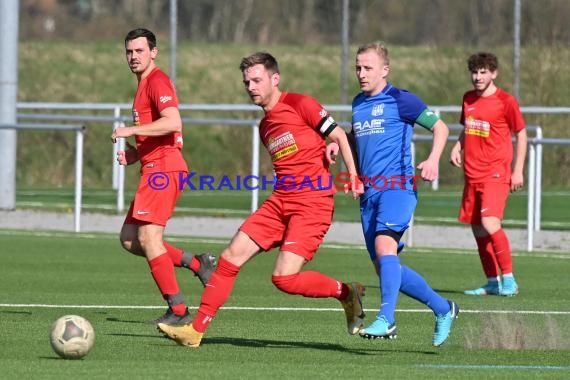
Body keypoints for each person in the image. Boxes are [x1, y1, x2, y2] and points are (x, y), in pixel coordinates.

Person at [157, 51, 365, 348]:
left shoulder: (301, 103)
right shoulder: (264, 126)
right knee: (230, 257)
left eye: (257, 80)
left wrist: (353, 175)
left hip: (313, 203)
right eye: (247, 82)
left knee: (284, 279)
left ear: (274, 79)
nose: (251, 87)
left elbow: (339, 137)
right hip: (280, 201)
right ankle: (195, 330)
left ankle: (346, 293)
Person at [328, 42, 458, 346]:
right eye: (357, 67)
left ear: (384, 70)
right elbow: (358, 137)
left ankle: (387, 319)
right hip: (369, 193)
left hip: (397, 187)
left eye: (368, 68)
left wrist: (433, 159)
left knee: (385, 249)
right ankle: (444, 308)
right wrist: (339, 142)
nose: (361, 73)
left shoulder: (402, 100)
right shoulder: (358, 103)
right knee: (386, 265)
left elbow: (440, 128)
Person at [111, 28, 216, 325]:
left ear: (153, 52)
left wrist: (129, 131)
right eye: (129, 51)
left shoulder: (157, 81)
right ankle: (198, 264)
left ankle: (179, 310)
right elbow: (160, 131)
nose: (133, 57)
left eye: (139, 51)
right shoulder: (144, 84)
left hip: (165, 169)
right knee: (131, 239)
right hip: (154, 165)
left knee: (148, 237)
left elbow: (172, 121)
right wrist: (136, 153)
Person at [450, 52, 527, 297]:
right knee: (478, 229)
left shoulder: (506, 101)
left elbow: (521, 134)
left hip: (495, 172)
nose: (478, 77)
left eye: (484, 72)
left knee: (489, 222)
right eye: (475, 72)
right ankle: (493, 281)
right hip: (472, 175)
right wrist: (457, 146)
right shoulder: (468, 99)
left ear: (494, 73)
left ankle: (509, 280)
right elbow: (468, 129)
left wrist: (518, 170)